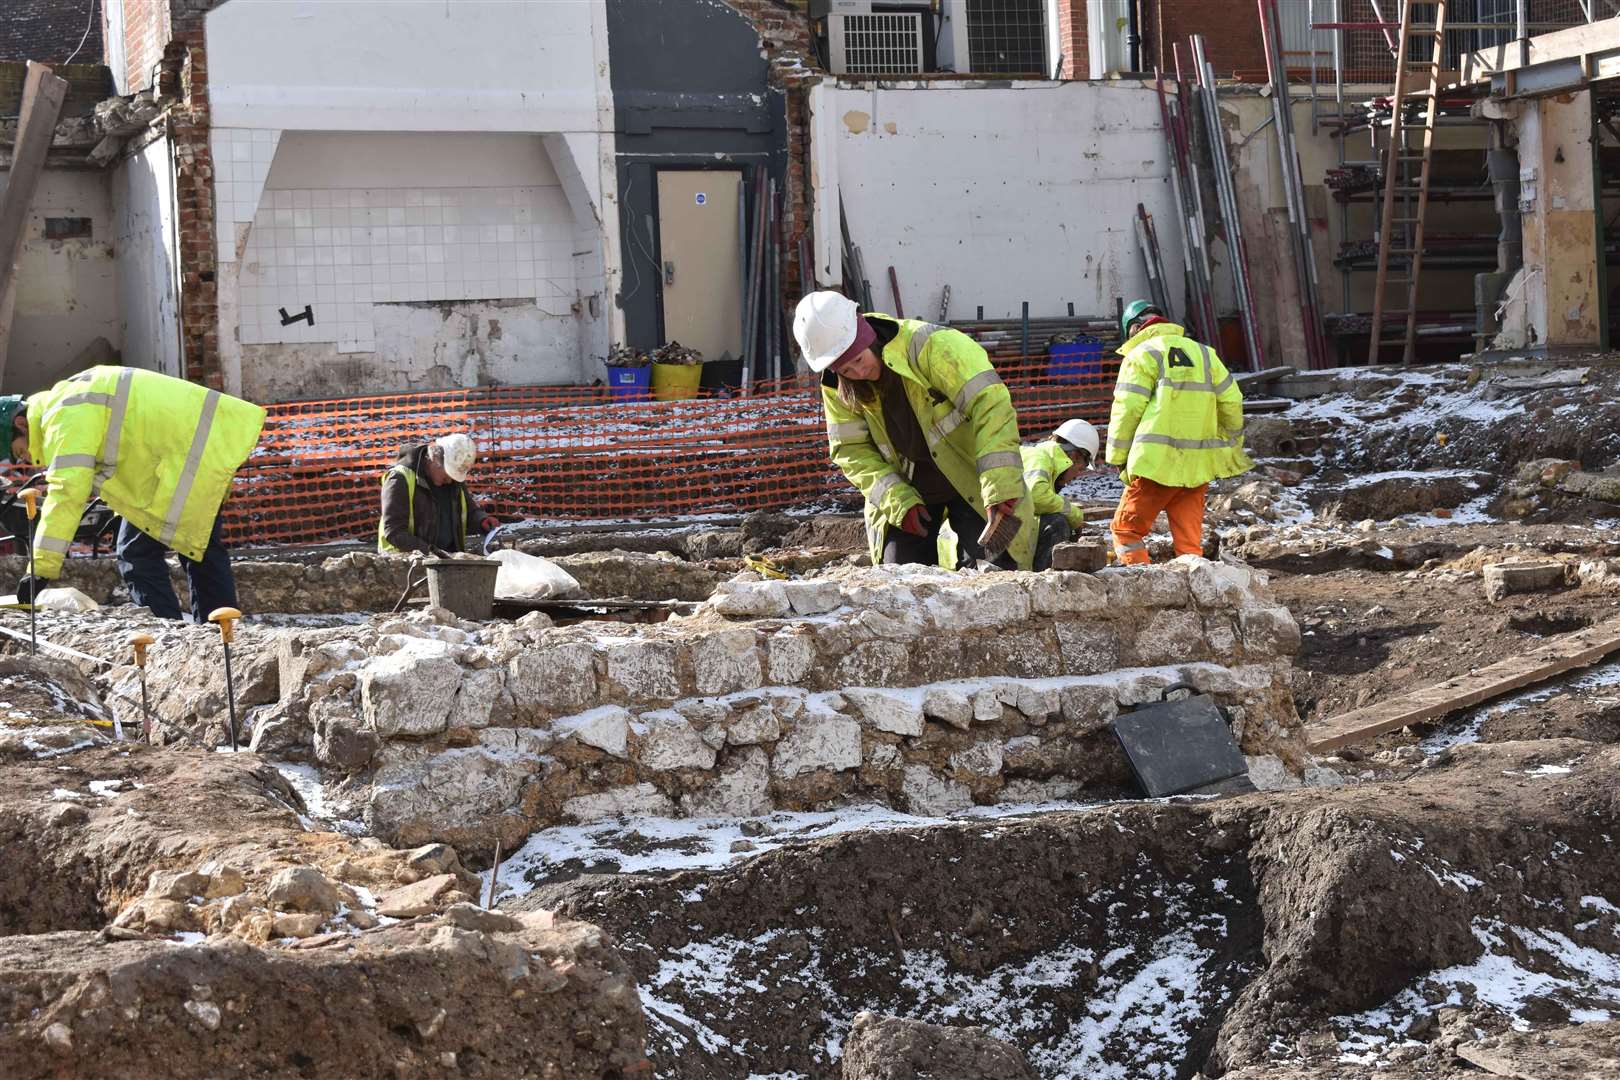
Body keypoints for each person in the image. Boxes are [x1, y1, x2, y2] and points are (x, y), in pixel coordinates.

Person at [794, 290, 1037, 570]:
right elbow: (851, 450)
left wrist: (1001, 484)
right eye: (846, 370)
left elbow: (991, 406)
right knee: (900, 579)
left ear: (867, 335)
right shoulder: (838, 387)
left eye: (859, 360)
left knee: (994, 571)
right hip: (909, 489)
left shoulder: (932, 346)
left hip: (971, 478)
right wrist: (897, 501)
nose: (857, 373)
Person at [1, 367, 266, 621]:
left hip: (187, 458)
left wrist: (41, 570)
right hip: (191, 452)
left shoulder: (63, 419)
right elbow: (126, 450)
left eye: (17, 450)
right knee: (193, 548)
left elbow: (67, 493)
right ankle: (213, 634)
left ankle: (173, 636)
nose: (21, 459)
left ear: (21, 424)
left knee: (143, 552)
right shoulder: (68, 400)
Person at [1106, 300, 1251, 565]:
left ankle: (1142, 588)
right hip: (1198, 466)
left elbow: (1127, 410)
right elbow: (1232, 401)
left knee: (1126, 531)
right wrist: (1227, 447)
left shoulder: (1141, 354)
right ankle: (1197, 591)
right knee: (1188, 545)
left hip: (1156, 464)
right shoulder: (1205, 354)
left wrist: (1117, 456)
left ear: (1136, 328)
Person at [377, 433, 499, 556]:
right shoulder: (400, 479)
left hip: (447, 561)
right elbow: (394, 532)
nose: (450, 480)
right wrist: (432, 552)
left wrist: (481, 520)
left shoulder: (452, 480)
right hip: (405, 564)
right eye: (447, 474)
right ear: (435, 459)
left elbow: (468, 509)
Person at [1023, 418, 1098, 571]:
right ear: (1075, 456)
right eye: (1080, 469)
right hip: (995, 537)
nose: (1075, 477)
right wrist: (1074, 514)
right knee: (1057, 523)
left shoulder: (1040, 458)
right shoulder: (1039, 457)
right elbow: (1035, 496)